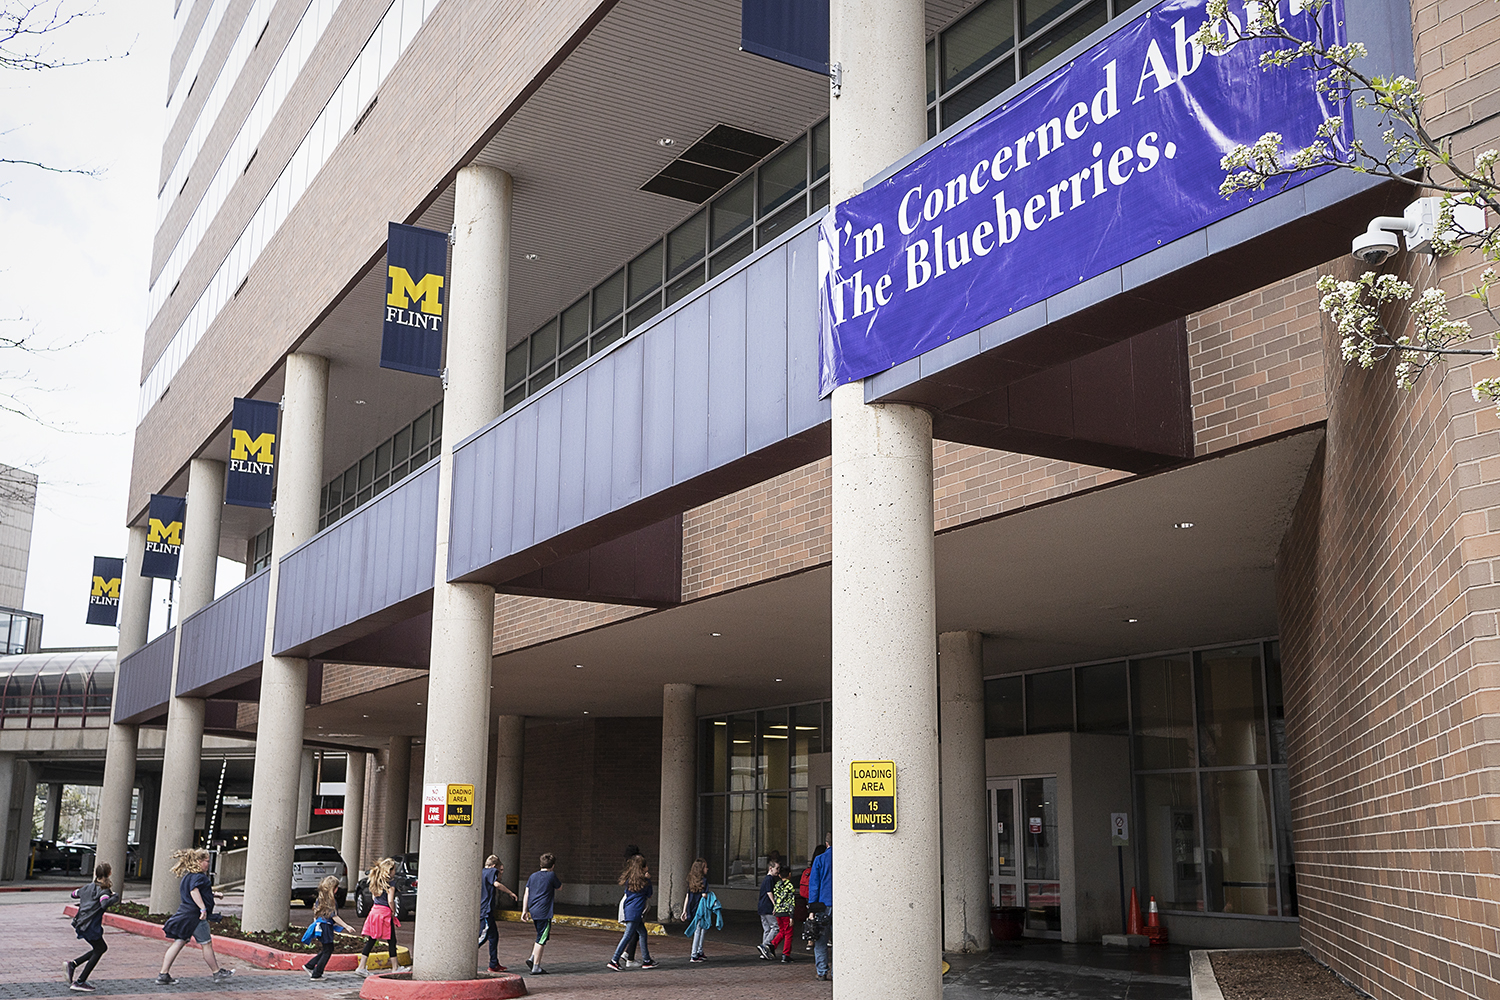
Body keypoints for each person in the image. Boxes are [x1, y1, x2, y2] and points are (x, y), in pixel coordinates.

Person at [158, 848, 233, 985]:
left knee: (179, 942)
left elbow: (195, 890)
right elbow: (194, 891)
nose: (208, 864)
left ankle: (163, 974)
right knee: (206, 944)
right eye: (206, 861)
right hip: (196, 917)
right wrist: (203, 909)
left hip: (185, 915)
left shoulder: (188, 877)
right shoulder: (199, 877)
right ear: (198, 862)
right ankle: (217, 972)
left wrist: (214, 895)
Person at [66, 862, 116, 992]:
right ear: (109, 873)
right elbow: (104, 903)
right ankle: (80, 981)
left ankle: (73, 965)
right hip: (91, 926)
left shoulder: (87, 887)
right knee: (100, 949)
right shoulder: (104, 890)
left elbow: (73, 894)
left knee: (99, 948)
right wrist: (114, 897)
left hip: (81, 923)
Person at [606, 855, 656, 971]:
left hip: (629, 909)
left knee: (642, 933)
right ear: (642, 868)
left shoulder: (629, 881)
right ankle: (614, 959)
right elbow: (649, 894)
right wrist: (648, 879)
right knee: (628, 935)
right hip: (636, 911)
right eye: (646, 866)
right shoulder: (644, 881)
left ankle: (647, 960)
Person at [302, 875, 357, 979]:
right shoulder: (331, 901)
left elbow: (316, 914)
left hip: (320, 925)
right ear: (333, 888)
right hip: (326, 926)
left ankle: (310, 965)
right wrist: (346, 926)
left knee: (326, 948)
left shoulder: (320, 898)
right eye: (336, 887)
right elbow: (334, 916)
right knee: (328, 949)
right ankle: (316, 973)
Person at [356, 858, 400, 977]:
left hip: (375, 912)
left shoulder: (376, 881)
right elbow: (390, 900)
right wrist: (393, 911)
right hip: (385, 913)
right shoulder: (391, 883)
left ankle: (361, 966)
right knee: (391, 940)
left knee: (372, 939)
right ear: (389, 870)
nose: (395, 872)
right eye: (394, 869)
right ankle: (395, 968)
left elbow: (374, 898)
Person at [520, 853, 561, 976]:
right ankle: (536, 966)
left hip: (534, 910)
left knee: (541, 935)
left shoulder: (533, 876)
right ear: (553, 866)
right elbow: (559, 887)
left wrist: (524, 910)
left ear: (540, 864)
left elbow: (526, 893)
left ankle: (532, 958)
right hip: (545, 912)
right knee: (541, 939)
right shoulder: (551, 875)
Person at [478, 854, 520, 972]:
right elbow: (496, 884)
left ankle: (494, 963)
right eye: (500, 870)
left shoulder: (480, 872)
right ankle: (464, 956)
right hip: (485, 910)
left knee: (493, 936)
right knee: (482, 937)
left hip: (487, 910)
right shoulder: (491, 871)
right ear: (494, 866)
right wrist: (510, 892)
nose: (500, 873)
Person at [808, 835, 832, 981]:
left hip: (822, 905)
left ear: (826, 843)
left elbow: (814, 887)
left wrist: (812, 909)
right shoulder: (845, 858)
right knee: (840, 941)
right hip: (842, 905)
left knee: (821, 940)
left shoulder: (820, 859)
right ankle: (838, 972)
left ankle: (822, 971)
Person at [616, 845, 642, 967]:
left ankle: (629, 954)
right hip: (634, 906)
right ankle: (617, 958)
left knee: (637, 931)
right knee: (631, 933)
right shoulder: (637, 877)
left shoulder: (628, 871)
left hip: (629, 904)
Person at [681, 858, 710, 962]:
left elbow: (687, 896)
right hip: (700, 909)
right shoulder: (704, 881)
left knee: (699, 929)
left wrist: (684, 910)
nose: (707, 869)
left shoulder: (691, 881)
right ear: (701, 869)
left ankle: (699, 951)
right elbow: (704, 895)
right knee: (700, 930)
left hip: (692, 908)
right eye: (705, 867)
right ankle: (695, 953)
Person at [769, 865, 798, 961]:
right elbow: (791, 901)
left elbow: (777, 898)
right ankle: (786, 954)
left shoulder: (777, 885)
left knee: (782, 931)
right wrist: (791, 916)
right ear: (789, 874)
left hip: (778, 912)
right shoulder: (789, 885)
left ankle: (773, 944)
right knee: (788, 933)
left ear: (780, 875)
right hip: (786, 912)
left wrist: (776, 909)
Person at [757, 859, 782, 959]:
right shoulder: (769, 879)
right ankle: (765, 945)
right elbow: (769, 892)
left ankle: (764, 951)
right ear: (770, 868)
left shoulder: (766, 879)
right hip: (767, 906)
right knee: (775, 927)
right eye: (777, 868)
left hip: (762, 907)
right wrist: (775, 904)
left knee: (767, 929)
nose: (778, 871)